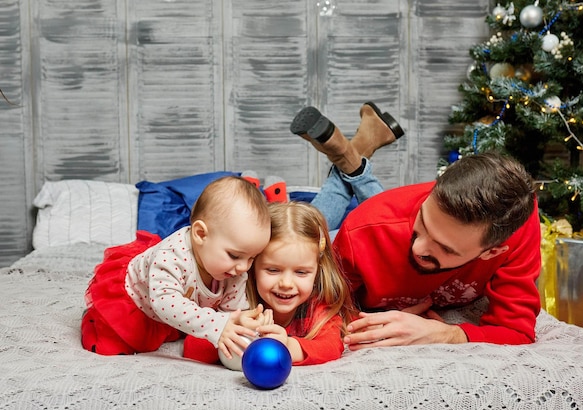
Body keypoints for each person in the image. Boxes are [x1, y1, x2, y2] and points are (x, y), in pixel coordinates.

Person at [290, 102, 542, 348]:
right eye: (423, 221)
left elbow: (515, 330)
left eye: (446, 248)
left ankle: (354, 154)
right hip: (350, 231)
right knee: (302, 233)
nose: (418, 248)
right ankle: (353, 157)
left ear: (492, 252)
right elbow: (312, 311)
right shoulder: (365, 229)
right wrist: (360, 320)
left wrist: (446, 334)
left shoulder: (514, 222)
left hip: (383, 219)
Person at [81, 176, 271, 356]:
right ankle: (93, 320)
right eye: (234, 255)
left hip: (179, 306)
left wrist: (246, 322)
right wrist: (216, 325)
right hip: (139, 300)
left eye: (252, 258)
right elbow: (164, 303)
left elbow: (231, 310)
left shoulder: (235, 270)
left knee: (192, 331)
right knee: (111, 345)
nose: (244, 267)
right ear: (200, 234)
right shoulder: (171, 257)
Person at [184, 201, 357, 366]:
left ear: (318, 271)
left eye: (301, 272)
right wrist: (232, 330)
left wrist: (287, 345)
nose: (286, 284)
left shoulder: (317, 307)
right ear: (252, 267)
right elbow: (192, 349)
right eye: (273, 270)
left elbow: (331, 347)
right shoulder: (234, 300)